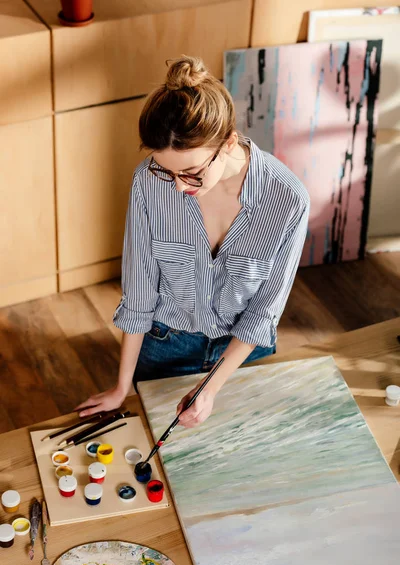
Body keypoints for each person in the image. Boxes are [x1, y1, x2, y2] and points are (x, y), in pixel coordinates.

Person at [76, 55, 310, 428]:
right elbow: (139, 296)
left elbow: (263, 312)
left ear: (229, 142)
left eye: (192, 173)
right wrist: (122, 386)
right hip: (166, 345)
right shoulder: (149, 184)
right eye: (165, 170)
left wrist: (212, 388)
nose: (180, 187)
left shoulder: (288, 200)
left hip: (242, 355)